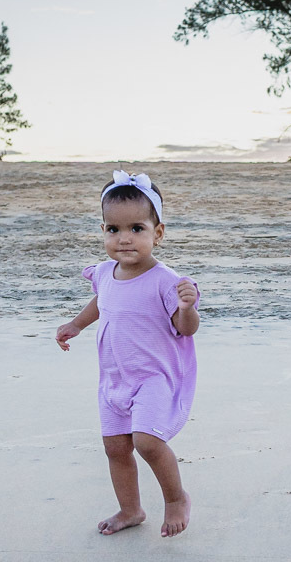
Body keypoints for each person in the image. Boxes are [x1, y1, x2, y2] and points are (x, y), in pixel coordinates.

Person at [56, 171, 200, 538]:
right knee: (115, 447)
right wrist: (76, 324)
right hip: (114, 378)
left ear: (158, 233)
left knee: (147, 441)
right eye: (113, 229)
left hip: (154, 377)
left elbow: (186, 329)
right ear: (103, 230)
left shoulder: (165, 281)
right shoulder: (106, 273)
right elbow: (102, 302)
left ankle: (176, 498)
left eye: (137, 228)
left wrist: (187, 308)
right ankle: (131, 509)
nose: (124, 238)